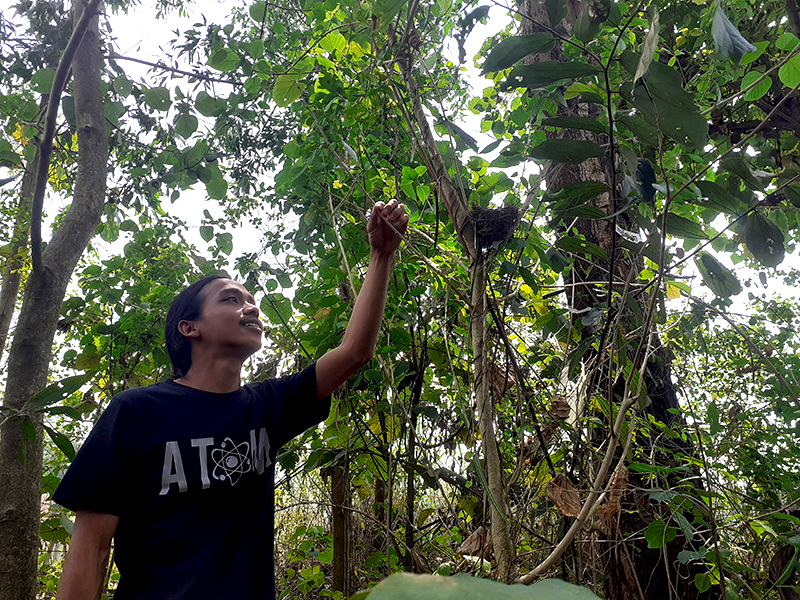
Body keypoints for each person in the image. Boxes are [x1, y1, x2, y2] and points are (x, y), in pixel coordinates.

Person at [53, 200, 409, 600]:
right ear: (189, 327)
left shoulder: (267, 405)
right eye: (231, 299)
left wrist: (381, 255)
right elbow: (93, 545)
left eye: (250, 300)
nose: (251, 307)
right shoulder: (136, 411)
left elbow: (354, 353)